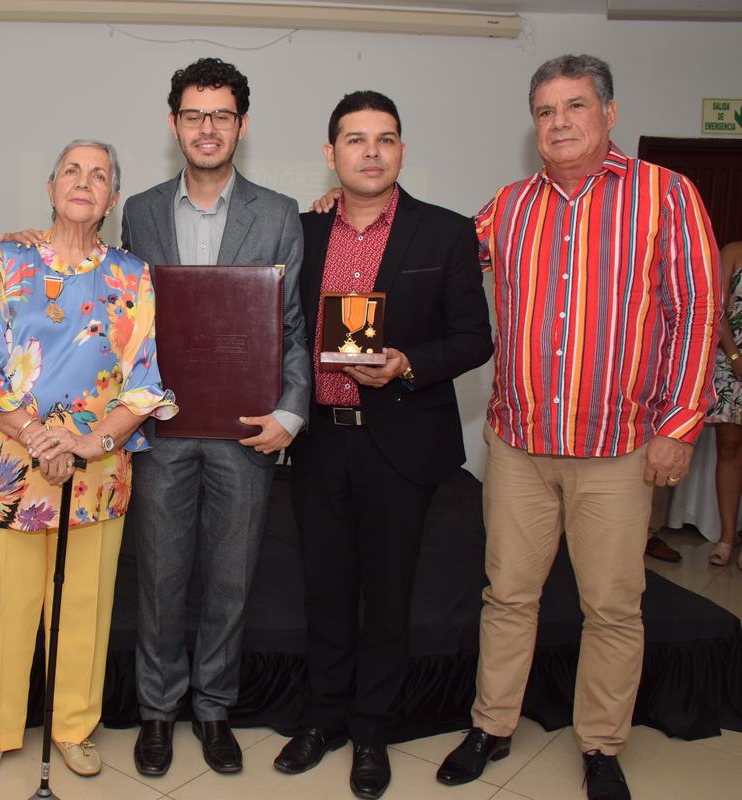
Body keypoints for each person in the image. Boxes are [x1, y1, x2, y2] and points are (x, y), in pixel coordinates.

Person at [433, 55, 719, 800]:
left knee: (614, 606)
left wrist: (680, 426)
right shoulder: (509, 205)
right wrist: (358, 207)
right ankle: (492, 725)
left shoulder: (666, 195)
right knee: (507, 596)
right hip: (520, 445)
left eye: (575, 106)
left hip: (619, 448)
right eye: (545, 111)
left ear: (609, 113)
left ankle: (600, 745)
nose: (559, 123)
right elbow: (439, 260)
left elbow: (696, 315)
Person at [0, 139, 176, 782]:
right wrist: (40, 437)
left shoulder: (132, 274)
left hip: (94, 470)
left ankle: (74, 726)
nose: (84, 181)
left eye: (99, 175)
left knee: (84, 604)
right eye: (72, 170)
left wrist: (88, 442)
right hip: (6, 466)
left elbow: (145, 382)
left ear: (112, 199)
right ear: (50, 187)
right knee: (1, 604)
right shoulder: (5, 258)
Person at [281, 91, 492, 799]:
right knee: (326, 591)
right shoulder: (303, 232)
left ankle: (372, 731)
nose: (370, 151)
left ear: (401, 150)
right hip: (319, 443)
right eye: (354, 139)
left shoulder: (446, 233)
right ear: (331, 153)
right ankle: (322, 718)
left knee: (388, 597)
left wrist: (406, 362)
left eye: (385, 139)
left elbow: (475, 337)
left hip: (400, 441)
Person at [123, 57, 311, 778]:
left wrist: (291, 414)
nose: (208, 129)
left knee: (231, 580)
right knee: (162, 579)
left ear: (242, 125)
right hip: (161, 430)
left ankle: (213, 709)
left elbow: (292, 328)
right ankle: (157, 712)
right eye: (194, 115)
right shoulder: (138, 210)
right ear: (174, 125)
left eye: (222, 116)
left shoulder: (280, 213)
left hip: (246, 430)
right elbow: (123, 323)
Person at [707, 241, 742, 568]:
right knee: (729, 446)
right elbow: (715, 309)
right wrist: (734, 358)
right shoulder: (733, 252)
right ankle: (727, 537)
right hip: (732, 360)